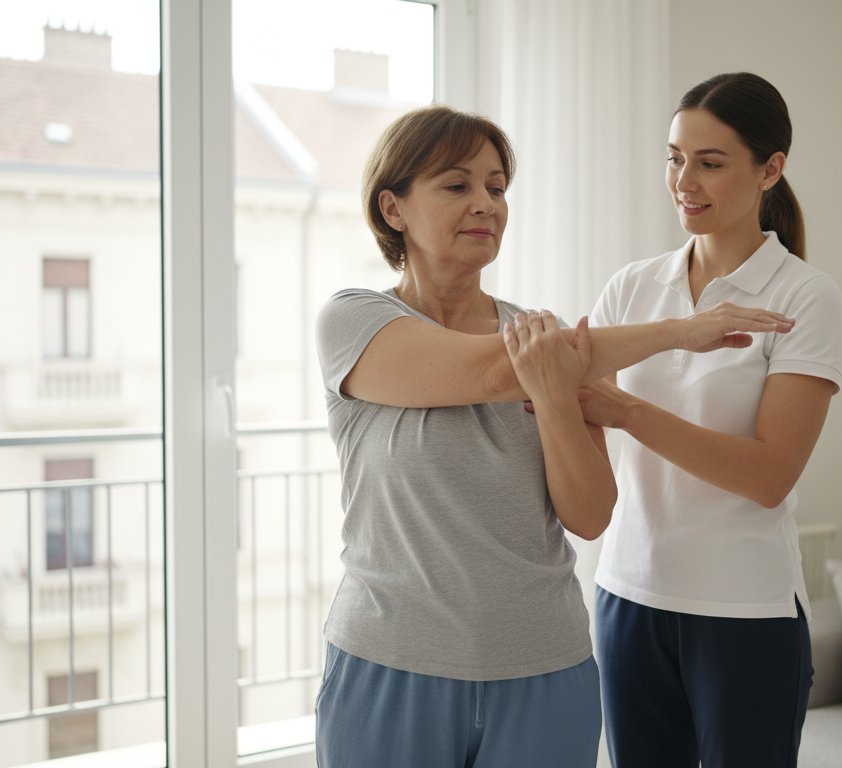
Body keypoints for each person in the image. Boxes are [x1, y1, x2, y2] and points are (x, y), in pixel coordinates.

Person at [313, 104, 796, 768]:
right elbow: (488, 371)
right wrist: (684, 329)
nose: (485, 203)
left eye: (496, 186)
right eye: (458, 186)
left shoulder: (545, 339)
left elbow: (591, 513)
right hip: (393, 664)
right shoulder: (356, 321)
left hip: (545, 671)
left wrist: (560, 387)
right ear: (393, 210)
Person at [583, 72, 842, 767]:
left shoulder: (804, 296)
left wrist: (629, 412)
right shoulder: (633, 287)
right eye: (674, 157)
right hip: (627, 594)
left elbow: (767, 475)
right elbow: (572, 396)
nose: (684, 181)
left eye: (710, 162)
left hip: (743, 614)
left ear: (771, 168)